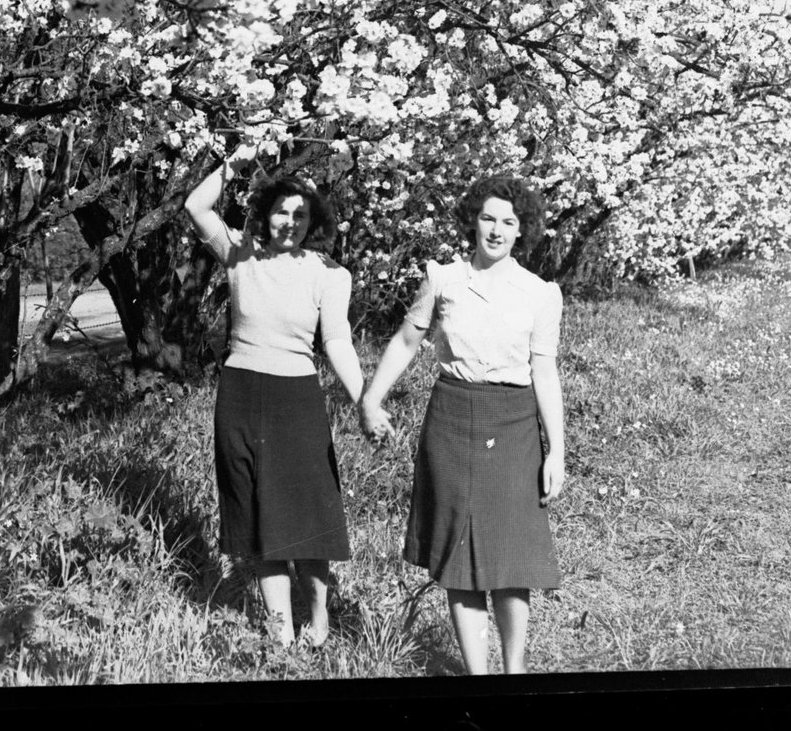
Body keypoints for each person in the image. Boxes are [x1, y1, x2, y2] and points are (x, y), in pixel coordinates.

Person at [359, 175, 566, 675]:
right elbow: (406, 341)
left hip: (514, 424)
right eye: (487, 218)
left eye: (508, 222)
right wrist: (371, 398)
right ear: (472, 220)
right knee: (458, 554)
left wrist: (556, 451)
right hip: (451, 420)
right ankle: (477, 678)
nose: (496, 230)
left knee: (511, 556)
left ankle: (513, 674)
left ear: (522, 229)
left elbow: (544, 372)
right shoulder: (443, 278)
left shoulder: (539, 294)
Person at [185, 159, 364, 647]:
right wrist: (237, 159)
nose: (290, 222)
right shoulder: (241, 254)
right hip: (240, 395)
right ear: (265, 214)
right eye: (282, 211)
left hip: (296, 399)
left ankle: (319, 619)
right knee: (259, 516)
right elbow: (196, 206)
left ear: (313, 221)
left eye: (300, 214)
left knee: (308, 517)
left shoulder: (331, 274)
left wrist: (364, 400)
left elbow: (338, 342)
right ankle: (280, 631)